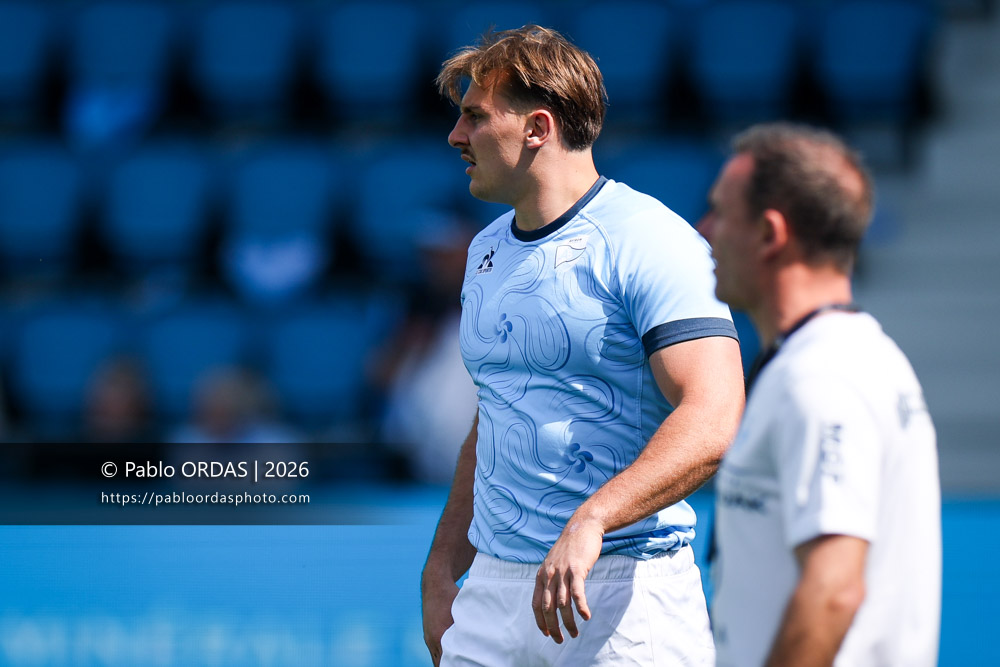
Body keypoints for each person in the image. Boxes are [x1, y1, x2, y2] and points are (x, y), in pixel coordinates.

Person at [421, 25, 745, 666]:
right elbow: (498, 413)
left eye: (475, 116)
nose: (456, 136)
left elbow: (713, 416)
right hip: (493, 589)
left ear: (537, 128)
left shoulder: (651, 240)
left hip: (623, 589)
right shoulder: (485, 250)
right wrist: (443, 565)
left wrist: (593, 519)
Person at [699, 123, 941, 666]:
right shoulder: (850, 357)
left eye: (720, 212)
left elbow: (833, 590)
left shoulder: (820, 377)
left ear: (770, 234)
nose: (704, 229)